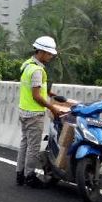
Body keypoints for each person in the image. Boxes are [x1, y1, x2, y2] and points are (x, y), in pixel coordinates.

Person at [16, 36, 65, 188]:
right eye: (49, 54)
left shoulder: (27, 65)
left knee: (24, 143)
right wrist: (53, 107)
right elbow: (36, 95)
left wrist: (52, 95)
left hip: (23, 111)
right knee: (34, 147)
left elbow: (37, 89)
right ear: (41, 52)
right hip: (34, 114)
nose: (50, 57)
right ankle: (30, 176)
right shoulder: (37, 70)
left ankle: (20, 174)